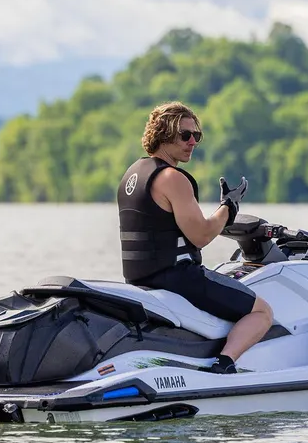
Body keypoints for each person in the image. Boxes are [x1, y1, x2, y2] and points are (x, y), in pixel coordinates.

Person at [117, 101, 273, 374]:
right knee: (262, 312)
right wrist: (229, 207)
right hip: (177, 278)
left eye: (196, 136)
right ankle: (224, 364)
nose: (193, 142)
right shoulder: (172, 178)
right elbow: (201, 235)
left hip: (139, 279)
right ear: (164, 134)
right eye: (185, 135)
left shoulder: (131, 175)